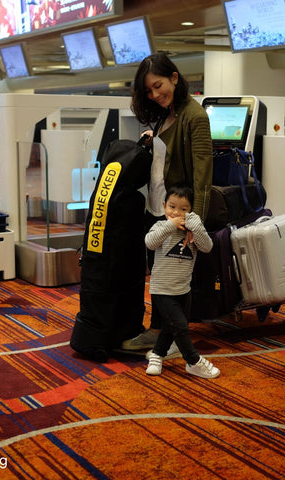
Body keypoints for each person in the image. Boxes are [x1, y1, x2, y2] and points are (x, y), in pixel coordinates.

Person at [121, 53, 213, 353]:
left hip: (179, 215)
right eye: (148, 90)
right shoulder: (165, 115)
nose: (154, 94)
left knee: (172, 283)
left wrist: (194, 222)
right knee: (160, 277)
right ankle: (160, 331)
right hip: (159, 210)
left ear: (175, 78)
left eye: (158, 85)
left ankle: (167, 335)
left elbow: (202, 176)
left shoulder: (194, 116)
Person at [144, 183, 219, 378]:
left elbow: (208, 247)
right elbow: (150, 243)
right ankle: (193, 361)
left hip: (183, 290)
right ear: (164, 205)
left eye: (183, 209)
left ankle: (158, 354)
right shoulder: (161, 226)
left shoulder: (192, 230)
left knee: (172, 326)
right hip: (162, 289)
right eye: (172, 207)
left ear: (190, 211)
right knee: (181, 327)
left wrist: (194, 225)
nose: (177, 212)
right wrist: (170, 225)